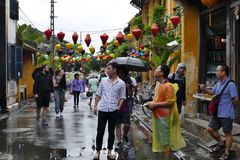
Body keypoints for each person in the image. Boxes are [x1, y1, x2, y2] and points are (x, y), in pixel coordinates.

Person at [144, 64, 186, 160]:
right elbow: (159, 100)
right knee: (164, 142)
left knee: (166, 143)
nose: (155, 71)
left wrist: (154, 105)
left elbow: (170, 102)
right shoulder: (160, 85)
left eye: (157, 69)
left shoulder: (167, 86)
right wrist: (150, 104)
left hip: (166, 119)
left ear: (162, 73)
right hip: (160, 118)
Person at [200, 64, 238, 160]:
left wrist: (230, 108)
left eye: (217, 70)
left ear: (223, 72)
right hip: (217, 112)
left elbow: (236, 99)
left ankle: (226, 153)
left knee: (227, 133)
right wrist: (205, 89)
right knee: (210, 128)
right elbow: (212, 92)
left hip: (226, 113)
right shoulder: (219, 83)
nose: (216, 72)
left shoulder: (231, 84)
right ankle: (221, 143)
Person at [93, 62, 126, 160]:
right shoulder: (103, 80)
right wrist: (95, 106)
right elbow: (98, 94)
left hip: (113, 110)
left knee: (111, 132)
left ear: (114, 70)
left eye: (109, 68)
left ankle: (109, 152)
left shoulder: (121, 83)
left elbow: (122, 97)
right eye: (107, 69)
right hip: (103, 109)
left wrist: (118, 107)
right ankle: (97, 152)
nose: (107, 70)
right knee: (100, 131)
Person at [115, 68, 133, 148]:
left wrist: (128, 87)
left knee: (127, 124)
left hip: (125, 105)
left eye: (122, 73)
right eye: (119, 73)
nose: (120, 74)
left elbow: (130, 94)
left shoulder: (127, 82)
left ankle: (125, 135)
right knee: (117, 124)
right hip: (115, 104)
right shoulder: (114, 81)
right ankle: (119, 141)